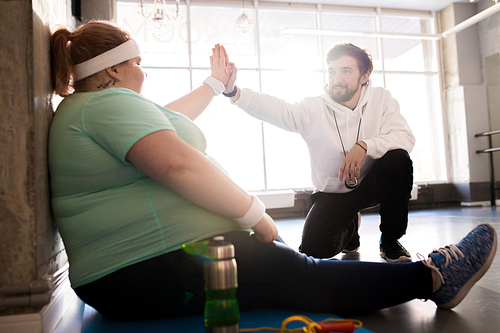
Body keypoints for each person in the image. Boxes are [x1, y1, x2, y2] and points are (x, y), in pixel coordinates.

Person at [48, 20, 497, 321]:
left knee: (297, 268)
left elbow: (166, 120)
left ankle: (391, 242)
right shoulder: (107, 106)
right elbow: (177, 163)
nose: (142, 73)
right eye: (137, 63)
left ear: (364, 76)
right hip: (142, 267)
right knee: (304, 273)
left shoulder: (95, 107)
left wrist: (212, 85)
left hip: (138, 269)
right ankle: (434, 276)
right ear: (112, 69)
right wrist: (256, 217)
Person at [222, 42, 415, 262]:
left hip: (370, 185)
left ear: (364, 76)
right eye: (332, 71)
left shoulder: (381, 100)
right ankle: (350, 228)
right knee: (314, 250)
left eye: (346, 71)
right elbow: (276, 109)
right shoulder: (314, 108)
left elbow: (405, 137)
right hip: (333, 193)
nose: (336, 78)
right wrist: (234, 92)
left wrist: (365, 146)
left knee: (399, 160)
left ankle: (390, 241)